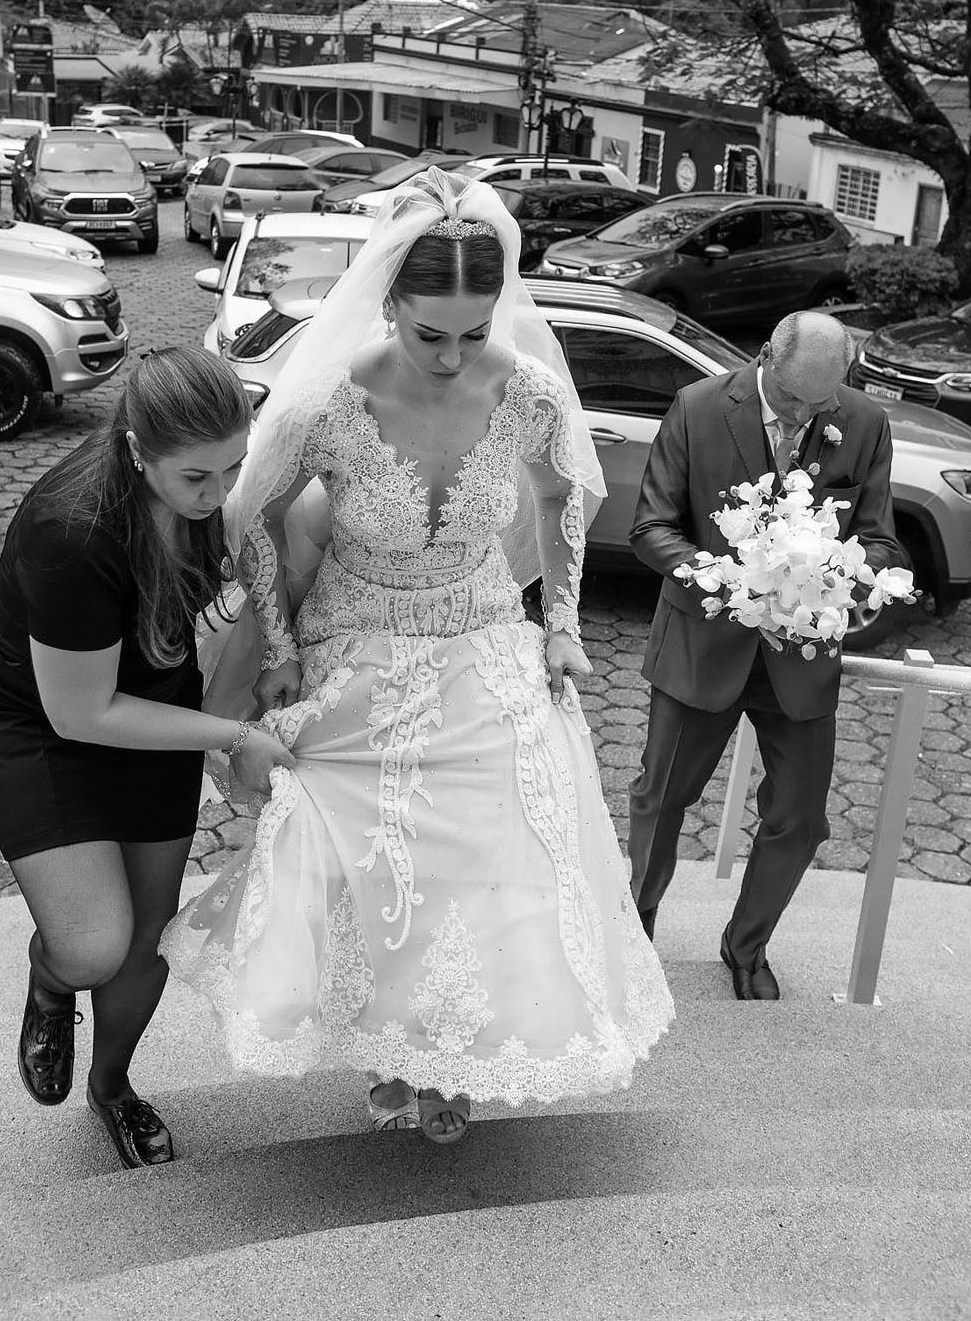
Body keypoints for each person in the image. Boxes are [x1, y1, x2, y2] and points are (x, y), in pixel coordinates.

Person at [161, 167, 674, 1144]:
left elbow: (563, 499)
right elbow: (256, 517)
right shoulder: (328, 402)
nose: (451, 357)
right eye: (430, 333)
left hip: (482, 631)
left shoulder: (526, 392)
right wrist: (278, 642)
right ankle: (389, 1048)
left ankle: (458, 1050)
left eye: (473, 334)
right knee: (367, 854)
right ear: (389, 302)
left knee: (494, 853)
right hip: (357, 638)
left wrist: (562, 623)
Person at [0, 347, 294, 1168]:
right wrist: (232, 737)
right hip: (39, 720)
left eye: (233, 468)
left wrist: (275, 651)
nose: (219, 494)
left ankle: (113, 1087)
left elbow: (259, 555)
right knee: (92, 946)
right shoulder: (71, 530)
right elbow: (82, 712)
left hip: (149, 706)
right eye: (197, 478)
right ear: (138, 449)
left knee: (148, 936)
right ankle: (51, 973)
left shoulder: (199, 486)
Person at [627, 311, 902, 999]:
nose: (806, 415)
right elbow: (651, 526)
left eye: (822, 403)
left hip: (801, 657)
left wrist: (837, 575)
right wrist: (723, 580)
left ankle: (747, 944)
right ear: (765, 359)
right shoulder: (697, 407)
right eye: (793, 399)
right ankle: (633, 930)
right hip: (702, 645)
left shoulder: (866, 423)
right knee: (662, 799)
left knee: (802, 819)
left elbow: (880, 540)